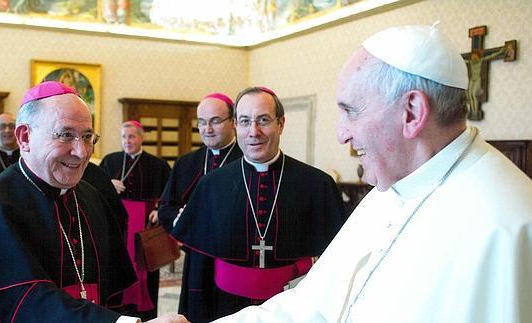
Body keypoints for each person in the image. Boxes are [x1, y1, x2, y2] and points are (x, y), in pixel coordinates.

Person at [209, 24, 532, 322]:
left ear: (412, 112)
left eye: (350, 111)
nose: (342, 134)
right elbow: (309, 307)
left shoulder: (508, 225)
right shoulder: (388, 192)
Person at [0, 81, 185, 323]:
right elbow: (27, 300)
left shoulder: (91, 196)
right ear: (25, 137)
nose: (82, 151)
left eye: (87, 137)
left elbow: (110, 288)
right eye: (66, 135)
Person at [171, 86, 347, 322]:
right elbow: (198, 269)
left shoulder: (317, 184)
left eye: (263, 120)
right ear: (235, 125)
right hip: (225, 308)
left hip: (293, 309)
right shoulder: (211, 185)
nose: (253, 132)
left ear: (281, 124)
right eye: (245, 121)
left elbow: (335, 264)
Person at [158, 92, 243, 320]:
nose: (208, 129)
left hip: (235, 259)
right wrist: (183, 219)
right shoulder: (187, 163)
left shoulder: (246, 159)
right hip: (197, 259)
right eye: (202, 122)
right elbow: (166, 206)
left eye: (215, 121)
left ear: (233, 122)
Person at [100, 121, 172, 321]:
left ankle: (147, 315)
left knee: (145, 267)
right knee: (118, 265)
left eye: (131, 137)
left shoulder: (158, 165)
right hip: (117, 225)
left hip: (145, 226)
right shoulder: (110, 160)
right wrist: (108, 184)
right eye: (124, 137)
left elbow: (169, 195)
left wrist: (159, 209)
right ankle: (120, 314)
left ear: (141, 137)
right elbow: (93, 188)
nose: (127, 141)